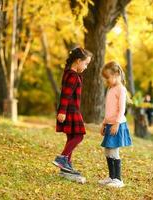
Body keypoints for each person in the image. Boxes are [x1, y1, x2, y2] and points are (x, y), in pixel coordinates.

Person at [52, 47, 92, 176]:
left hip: (70, 109)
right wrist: (62, 111)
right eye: (85, 63)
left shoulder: (69, 73)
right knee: (79, 136)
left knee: (71, 137)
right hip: (70, 110)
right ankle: (62, 158)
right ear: (78, 61)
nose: (86, 67)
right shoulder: (73, 76)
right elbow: (66, 94)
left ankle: (66, 167)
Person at [98, 61, 132, 188]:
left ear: (117, 74)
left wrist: (116, 123)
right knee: (107, 151)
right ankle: (111, 177)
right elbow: (109, 110)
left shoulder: (121, 89)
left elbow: (121, 109)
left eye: (108, 77)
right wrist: (103, 124)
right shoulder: (110, 88)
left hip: (117, 125)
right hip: (109, 124)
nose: (106, 80)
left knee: (113, 151)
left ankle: (118, 179)